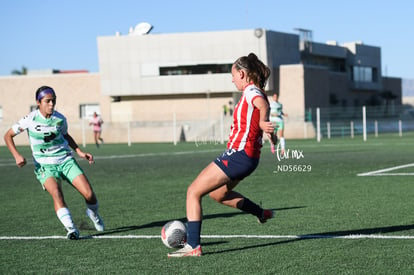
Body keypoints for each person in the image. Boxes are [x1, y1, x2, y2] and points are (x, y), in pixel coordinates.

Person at [168, 53, 278, 257]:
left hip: (239, 155)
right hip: (248, 157)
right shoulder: (254, 91)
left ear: (243, 74)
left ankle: (193, 246)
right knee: (218, 194)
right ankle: (260, 213)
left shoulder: (251, 91)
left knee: (193, 192)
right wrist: (266, 128)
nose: (233, 79)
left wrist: (263, 121)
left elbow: (262, 104)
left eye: (234, 75)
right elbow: (262, 108)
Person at [3, 86, 104, 240]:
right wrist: (17, 155)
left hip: (65, 160)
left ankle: (93, 214)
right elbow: (8, 136)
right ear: (38, 102)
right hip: (44, 166)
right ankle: (71, 229)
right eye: (47, 101)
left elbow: (65, 135)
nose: (51, 104)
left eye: (53, 101)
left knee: (89, 194)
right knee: (57, 194)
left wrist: (79, 151)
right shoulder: (29, 119)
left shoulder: (60, 119)